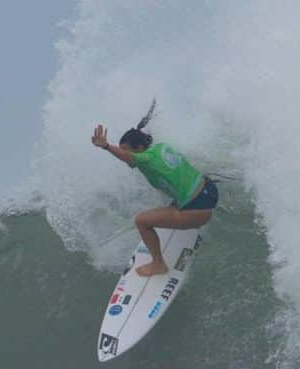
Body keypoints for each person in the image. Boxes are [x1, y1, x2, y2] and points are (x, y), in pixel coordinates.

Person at [91, 104, 218, 277]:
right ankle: (186, 218)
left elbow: (128, 157)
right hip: (209, 189)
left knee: (142, 221)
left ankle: (158, 264)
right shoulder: (160, 147)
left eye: (126, 151)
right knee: (172, 201)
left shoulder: (146, 158)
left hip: (198, 209)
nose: (126, 157)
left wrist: (106, 146)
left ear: (138, 149)